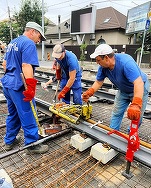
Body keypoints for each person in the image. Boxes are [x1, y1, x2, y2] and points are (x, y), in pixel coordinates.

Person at [1, 21, 49, 154]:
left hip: (8, 85)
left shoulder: (12, 42)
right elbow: (26, 65)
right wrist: (31, 87)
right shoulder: (28, 43)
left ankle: (9, 141)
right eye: (39, 37)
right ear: (33, 32)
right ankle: (32, 145)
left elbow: (5, 64)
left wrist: (12, 76)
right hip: (19, 87)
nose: (39, 41)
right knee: (28, 113)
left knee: (14, 114)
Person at [82, 44, 149, 132]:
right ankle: (113, 134)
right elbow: (99, 81)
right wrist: (90, 92)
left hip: (140, 89)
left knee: (136, 116)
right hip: (123, 90)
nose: (97, 63)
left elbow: (138, 83)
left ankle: (131, 133)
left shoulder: (126, 63)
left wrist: (136, 104)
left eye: (98, 60)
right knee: (116, 112)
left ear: (106, 57)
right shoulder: (103, 67)